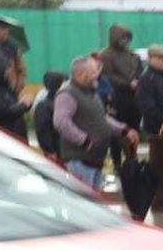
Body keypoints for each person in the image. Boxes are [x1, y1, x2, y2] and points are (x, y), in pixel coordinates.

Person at [55, 55, 138, 190]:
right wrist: (84, 140)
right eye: (93, 72)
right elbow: (61, 122)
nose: (97, 75)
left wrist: (124, 130)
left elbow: (101, 118)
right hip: (79, 160)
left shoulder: (91, 92)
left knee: (92, 204)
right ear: (80, 74)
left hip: (95, 159)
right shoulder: (67, 93)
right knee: (82, 204)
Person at [136, 45, 163, 213]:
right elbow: (146, 105)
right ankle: (159, 200)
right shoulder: (147, 78)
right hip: (157, 129)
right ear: (151, 58)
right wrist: (162, 122)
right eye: (160, 58)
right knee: (160, 164)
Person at [32, 71, 65, 162]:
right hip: (55, 151)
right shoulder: (45, 106)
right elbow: (42, 130)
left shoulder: (61, 101)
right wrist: (49, 150)